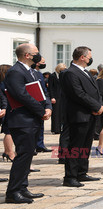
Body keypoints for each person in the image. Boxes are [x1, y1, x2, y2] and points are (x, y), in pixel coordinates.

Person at [4, 43, 52, 203]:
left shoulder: (32, 72)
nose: (38, 55)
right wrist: (40, 111)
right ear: (27, 55)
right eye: (36, 53)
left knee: (28, 155)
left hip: (33, 119)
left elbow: (42, 92)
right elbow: (21, 95)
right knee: (23, 155)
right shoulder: (15, 72)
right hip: (22, 120)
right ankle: (13, 191)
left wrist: (47, 107)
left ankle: (22, 187)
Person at [60, 46, 103, 188]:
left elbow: (95, 92)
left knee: (85, 145)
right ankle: (70, 176)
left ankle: (81, 172)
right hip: (79, 115)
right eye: (89, 56)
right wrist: (95, 106)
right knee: (75, 147)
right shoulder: (70, 73)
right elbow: (78, 94)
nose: (91, 58)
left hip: (90, 114)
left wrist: (98, 106)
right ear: (82, 57)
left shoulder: (85, 72)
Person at [32, 57, 52, 153]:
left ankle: (40, 145)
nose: (44, 63)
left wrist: (47, 106)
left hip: (41, 103)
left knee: (40, 126)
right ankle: (32, 146)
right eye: (42, 62)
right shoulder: (31, 72)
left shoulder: (39, 74)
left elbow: (44, 91)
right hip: (33, 103)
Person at [0, 64, 12, 182]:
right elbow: (4, 98)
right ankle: (9, 153)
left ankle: (8, 152)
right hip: (6, 110)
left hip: (5, 110)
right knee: (8, 132)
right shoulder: (4, 84)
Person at [48, 63, 67, 134]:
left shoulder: (63, 75)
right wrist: (52, 97)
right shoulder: (52, 75)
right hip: (55, 96)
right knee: (56, 113)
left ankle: (62, 127)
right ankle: (56, 129)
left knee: (62, 112)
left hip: (62, 96)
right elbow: (50, 87)